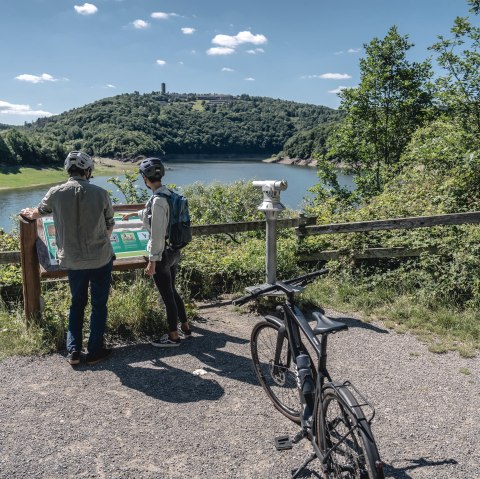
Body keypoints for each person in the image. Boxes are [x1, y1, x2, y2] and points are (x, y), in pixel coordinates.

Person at [20, 151, 115, 366]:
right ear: (88, 171)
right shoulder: (101, 193)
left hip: (72, 259)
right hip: (100, 257)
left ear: (68, 170)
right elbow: (110, 223)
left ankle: (73, 351)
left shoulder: (55, 192)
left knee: (77, 303)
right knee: (99, 304)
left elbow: (37, 213)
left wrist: (28, 212)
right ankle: (95, 350)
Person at [123, 157, 190, 347]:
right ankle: (185, 326)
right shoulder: (169, 194)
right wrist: (133, 214)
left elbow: (157, 233)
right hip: (174, 250)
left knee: (167, 296)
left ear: (145, 178)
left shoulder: (158, 200)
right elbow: (151, 214)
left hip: (162, 254)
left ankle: (173, 336)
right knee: (172, 290)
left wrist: (152, 260)